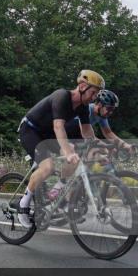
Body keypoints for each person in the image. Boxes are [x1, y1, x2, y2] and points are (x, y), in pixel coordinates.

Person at [10, 70, 104, 226]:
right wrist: (67, 151)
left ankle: (59, 186)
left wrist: (101, 150)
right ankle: (23, 205)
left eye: (96, 95)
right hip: (30, 130)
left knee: (75, 158)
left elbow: (87, 132)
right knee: (47, 167)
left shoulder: (82, 107)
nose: (94, 98)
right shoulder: (61, 96)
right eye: (93, 93)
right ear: (82, 86)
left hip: (47, 135)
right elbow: (58, 126)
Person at [64, 89, 135, 153]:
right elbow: (86, 134)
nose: (110, 112)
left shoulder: (101, 115)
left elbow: (108, 133)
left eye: (113, 110)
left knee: (103, 152)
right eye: (109, 109)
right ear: (100, 104)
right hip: (65, 137)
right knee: (99, 151)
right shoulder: (88, 110)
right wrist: (106, 146)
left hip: (77, 138)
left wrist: (125, 145)